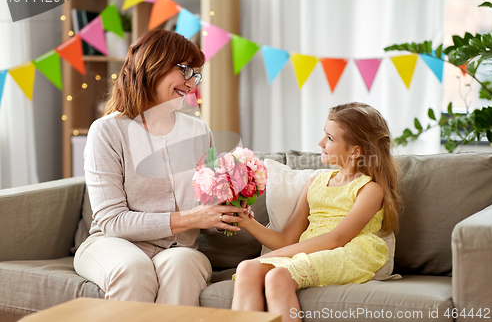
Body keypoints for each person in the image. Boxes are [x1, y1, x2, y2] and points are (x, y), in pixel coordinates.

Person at [74, 30, 248, 306]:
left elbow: (208, 208)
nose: (192, 83)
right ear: (153, 64)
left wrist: (230, 208)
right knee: (133, 269)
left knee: (183, 266)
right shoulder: (107, 131)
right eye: (186, 71)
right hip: (113, 243)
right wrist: (193, 218)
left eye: (196, 75)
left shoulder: (199, 131)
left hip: (178, 248)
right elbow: (112, 221)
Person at [232, 102, 401, 321]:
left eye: (330, 138)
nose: (321, 142)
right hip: (311, 250)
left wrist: (276, 256)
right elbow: (287, 239)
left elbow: (337, 238)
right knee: (247, 268)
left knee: (278, 278)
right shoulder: (314, 183)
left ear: (355, 151)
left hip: (350, 251)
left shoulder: (370, 190)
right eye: (324, 135)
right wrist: (246, 221)